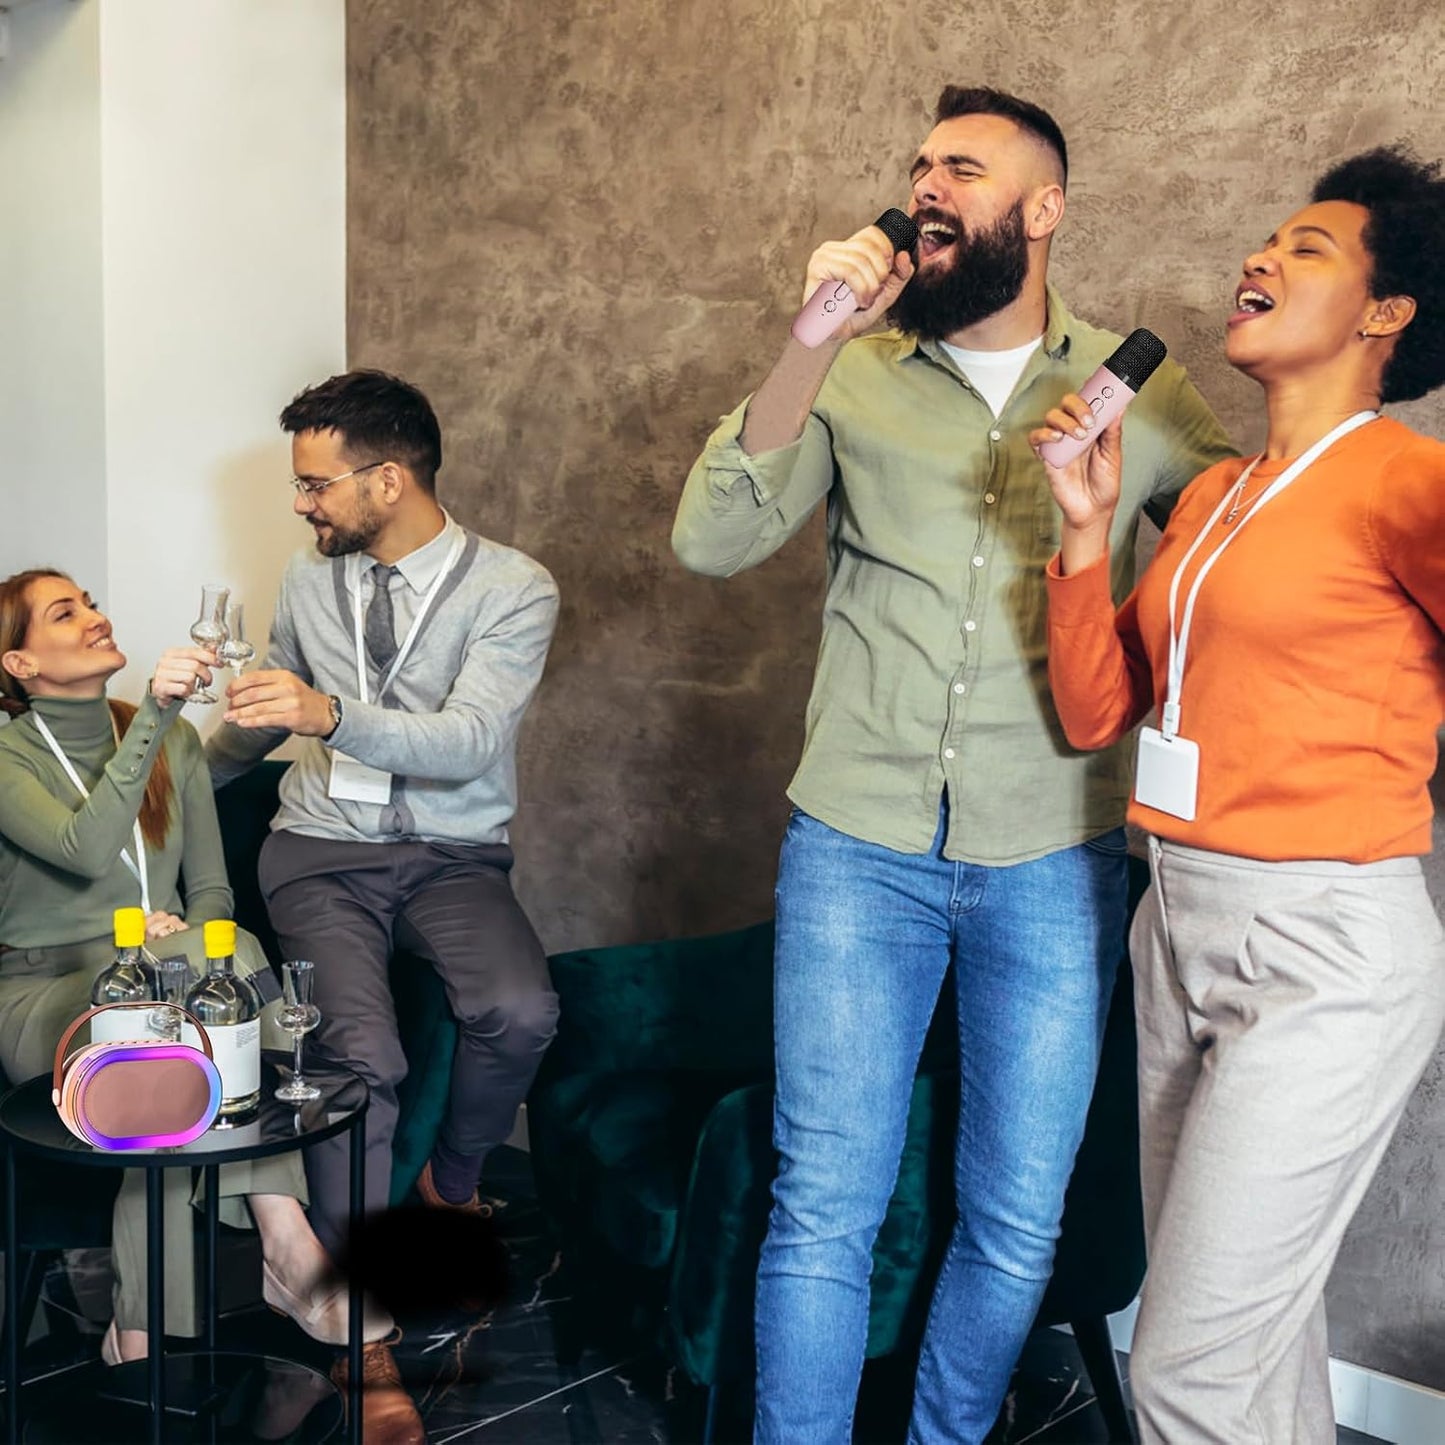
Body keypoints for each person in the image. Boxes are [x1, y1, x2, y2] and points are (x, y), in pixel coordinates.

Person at [672, 85, 1234, 1444]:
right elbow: (712, 538)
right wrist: (806, 343)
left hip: (1052, 853)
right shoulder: (853, 373)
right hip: (855, 843)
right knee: (825, 1200)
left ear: (1041, 210)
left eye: (962, 167)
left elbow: (1229, 561)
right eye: (919, 163)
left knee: (1014, 1213)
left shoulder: (1138, 388)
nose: (926, 183)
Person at [1037, 145, 1445, 1443]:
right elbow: (1096, 711)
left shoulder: (1407, 482)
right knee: (1249, 1347)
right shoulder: (1212, 494)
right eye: (1266, 238)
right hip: (1173, 921)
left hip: (1322, 946)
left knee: (1184, 1374)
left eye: (1305, 247)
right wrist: (1084, 531)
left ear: (1385, 314)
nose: (1258, 256)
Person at [206, 369, 560, 1434]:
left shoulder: (514, 588)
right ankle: (361, 1333)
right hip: (320, 853)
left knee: (519, 1009)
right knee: (362, 1063)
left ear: (389, 480)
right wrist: (176, 765)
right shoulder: (306, 577)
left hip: (454, 855)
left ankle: (450, 1185)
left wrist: (327, 711)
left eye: (316, 484)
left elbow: (468, 742)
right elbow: (265, 717)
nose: (301, 504)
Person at [0, 570, 386, 1365]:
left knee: (172, 1078)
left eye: (91, 602)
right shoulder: (10, 754)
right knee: (211, 996)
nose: (94, 616)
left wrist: (185, 942)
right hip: (46, 999)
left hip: (164, 989)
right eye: (65, 613)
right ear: (20, 663)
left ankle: (142, 1334)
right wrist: (156, 712)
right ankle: (287, 1242)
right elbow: (83, 847)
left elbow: (211, 891)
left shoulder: (171, 743)